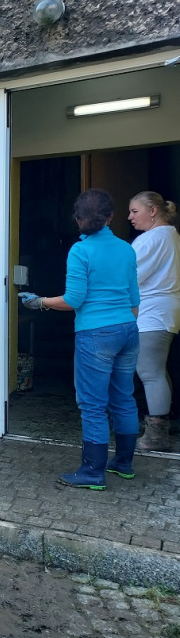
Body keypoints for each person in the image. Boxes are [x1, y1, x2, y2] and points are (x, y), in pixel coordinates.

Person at [20, 189, 140, 488]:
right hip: (128, 328)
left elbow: (74, 299)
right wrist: (122, 324)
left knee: (93, 404)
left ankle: (91, 472)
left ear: (77, 219)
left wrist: (40, 302)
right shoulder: (126, 248)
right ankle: (123, 463)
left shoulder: (80, 251)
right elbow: (135, 299)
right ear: (111, 216)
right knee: (124, 398)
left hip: (96, 333)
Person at [127, 191, 180, 452]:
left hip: (153, 313)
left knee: (150, 372)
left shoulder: (153, 238)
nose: (130, 217)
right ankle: (161, 425)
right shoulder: (170, 235)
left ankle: (157, 435)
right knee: (158, 371)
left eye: (135, 211)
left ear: (153, 211)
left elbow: (130, 276)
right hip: (163, 311)